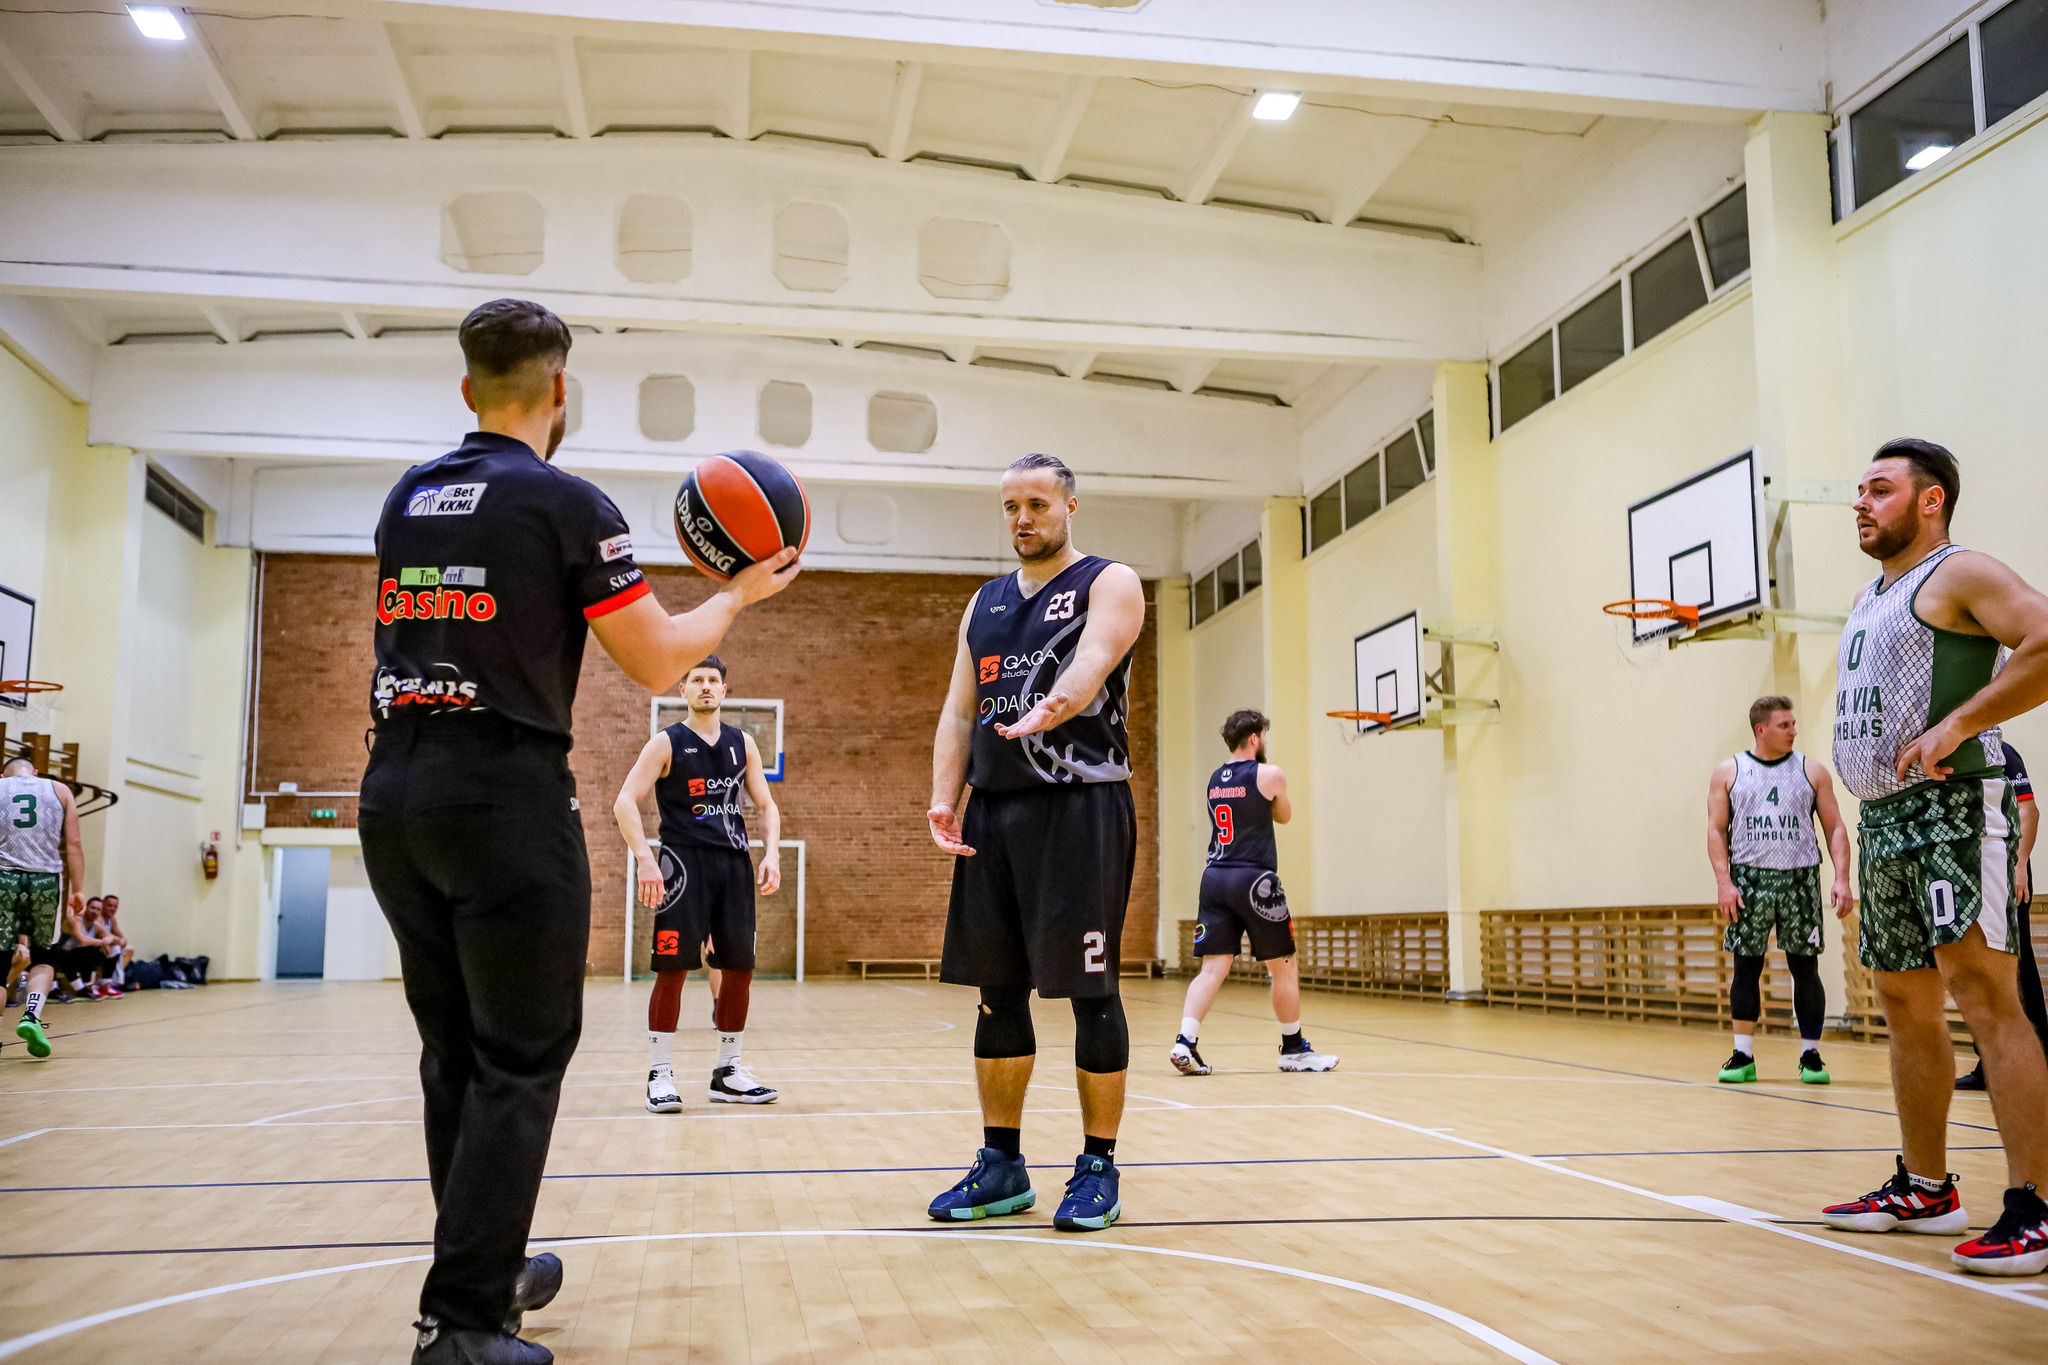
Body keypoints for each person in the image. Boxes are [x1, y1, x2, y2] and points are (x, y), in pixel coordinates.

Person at [358, 297, 799, 1364]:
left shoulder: (408, 497)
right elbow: (655, 660)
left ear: (468, 387)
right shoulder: (565, 502)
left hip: (394, 793)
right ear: (561, 390)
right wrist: (738, 595)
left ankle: (484, 1266)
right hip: (502, 798)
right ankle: (464, 1326)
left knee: (455, 1051)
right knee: (520, 1054)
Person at [1818, 438, 2048, 1277]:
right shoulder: (1868, 596)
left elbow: (2044, 638)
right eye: (1859, 490)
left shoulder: (1961, 572)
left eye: (1879, 489)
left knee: (1987, 996)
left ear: (1930, 500)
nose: (1861, 502)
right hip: (1884, 816)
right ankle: (1925, 1186)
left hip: (1955, 808)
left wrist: (1960, 723)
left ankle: (2035, 1205)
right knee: (1903, 1001)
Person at [925, 452, 1146, 1234]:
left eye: (1038, 504)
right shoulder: (982, 604)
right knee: (997, 991)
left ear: (1070, 506)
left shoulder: (1109, 581)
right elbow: (959, 711)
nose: (1023, 518)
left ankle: (1098, 1167)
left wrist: (1055, 703)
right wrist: (944, 797)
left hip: (1082, 805)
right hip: (997, 813)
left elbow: (1094, 660)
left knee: (1091, 992)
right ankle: (1002, 1163)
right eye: (1011, 506)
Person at [612, 655, 783, 1111]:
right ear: (683, 690)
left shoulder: (743, 743)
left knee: (740, 970)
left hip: (734, 867)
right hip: (683, 867)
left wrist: (771, 853)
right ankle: (659, 1074)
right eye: (697, 680)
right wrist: (645, 860)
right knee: (672, 970)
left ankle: (728, 1073)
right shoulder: (666, 743)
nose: (705, 686)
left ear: (724, 690)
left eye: (713, 680)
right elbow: (625, 801)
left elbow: (767, 805)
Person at [1169, 709, 1337, 1076]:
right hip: (1254, 880)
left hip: (1214, 878)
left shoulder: (1215, 779)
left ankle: (1185, 1041)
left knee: (1212, 968)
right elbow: (1284, 816)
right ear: (1255, 738)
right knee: (1284, 966)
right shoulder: (1270, 774)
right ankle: (1293, 1048)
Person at [1706, 696, 1852, 1085]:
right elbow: (1716, 830)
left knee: (1805, 967)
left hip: (1800, 877)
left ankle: (1811, 1055)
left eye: (1793, 724)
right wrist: (1724, 882)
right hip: (1749, 879)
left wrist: (1841, 877)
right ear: (1761, 729)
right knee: (1746, 966)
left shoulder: (1811, 771)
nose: (1793, 731)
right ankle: (1743, 1055)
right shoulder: (1730, 771)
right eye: (1784, 725)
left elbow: (1835, 826)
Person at [1958, 740, 2048, 1088]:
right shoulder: (1953, 753)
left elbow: (2029, 811)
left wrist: (2020, 865)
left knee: (2016, 962)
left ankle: (2040, 1058)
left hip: (2006, 869)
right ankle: (1990, 1062)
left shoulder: (2003, 753)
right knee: (1976, 966)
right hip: (1966, 872)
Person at [0, 757, 84, 1059]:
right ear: (35, 773)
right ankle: (31, 1016)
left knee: (0, 964)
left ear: (3, 775)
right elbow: (73, 844)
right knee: (44, 957)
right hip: (45, 880)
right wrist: (78, 890)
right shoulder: (59, 790)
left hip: (3, 877)